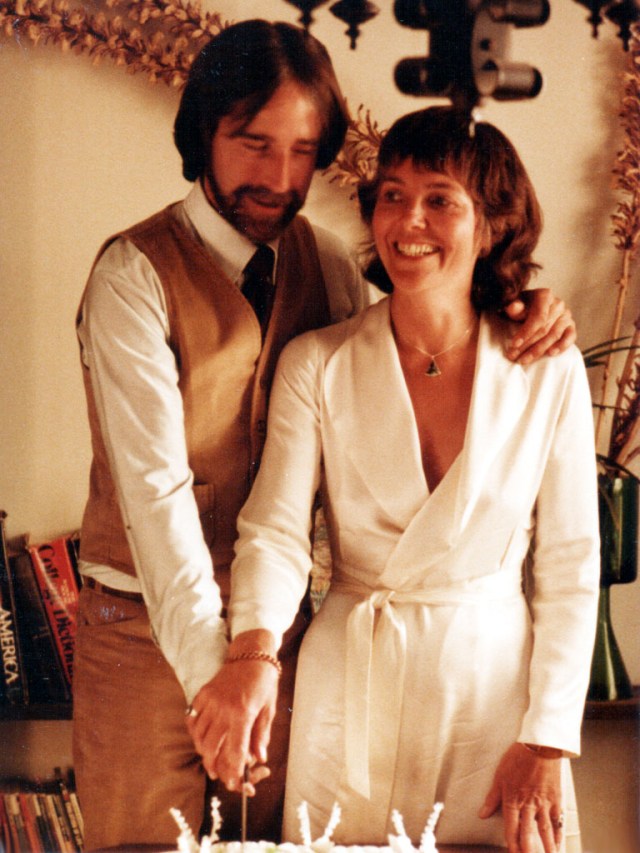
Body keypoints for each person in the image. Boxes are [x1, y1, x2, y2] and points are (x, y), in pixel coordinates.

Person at [73, 17, 577, 850]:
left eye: (303, 150)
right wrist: (225, 676)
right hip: (145, 630)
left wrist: (524, 302)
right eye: (253, 144)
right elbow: (156, 499)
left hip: (282, 640)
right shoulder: (132, 276)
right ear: (203, 134)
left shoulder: (334, 269)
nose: (279, 177)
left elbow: (404, 354)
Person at [194, 107, 600, 853]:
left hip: (494, 696)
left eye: (440, 198)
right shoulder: (318, 362)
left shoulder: (548, 369)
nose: (409, 220)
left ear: (492, 225)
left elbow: (571, 566)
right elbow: (276, 534)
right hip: (351, 686)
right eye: (392, 195)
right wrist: (254, 653)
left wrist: (546, 740)